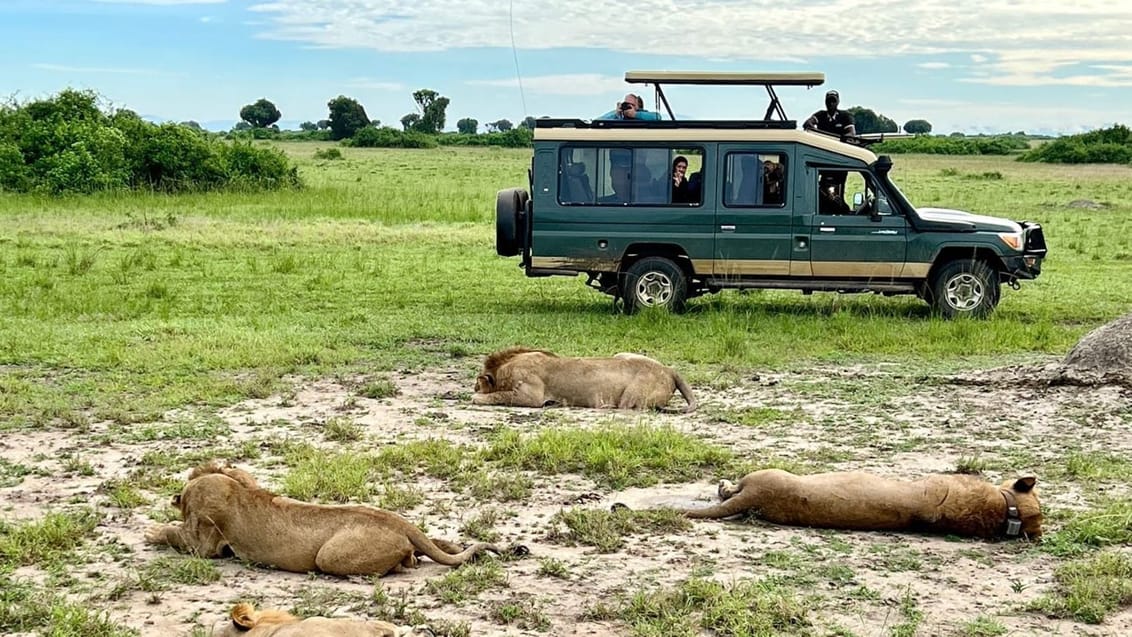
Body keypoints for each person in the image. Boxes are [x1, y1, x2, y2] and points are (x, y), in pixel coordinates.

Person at [597, 93, 662, 121]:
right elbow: (597, 121)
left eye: (631, 104)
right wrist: (616, 114)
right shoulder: (618, 116)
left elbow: (657, 117)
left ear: (638, 107)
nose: (627, 106)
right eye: (625, 104)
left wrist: (635, 114)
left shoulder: (643, 116)